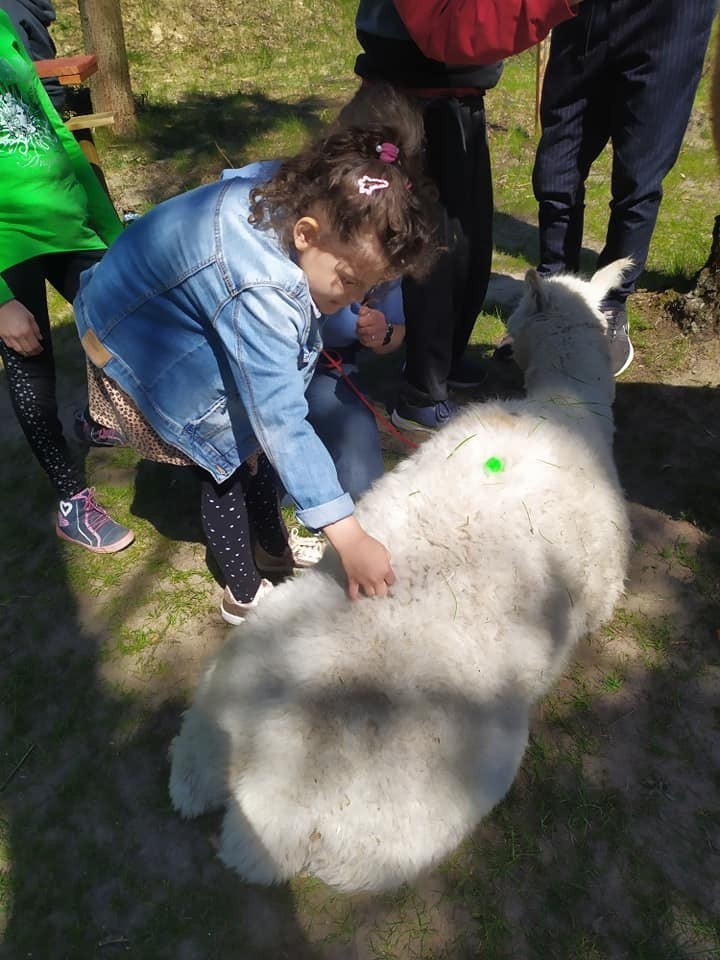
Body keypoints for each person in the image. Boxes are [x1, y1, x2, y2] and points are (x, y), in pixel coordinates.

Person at [72, 94, 440, 622]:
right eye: (348, 284)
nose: (352, 301)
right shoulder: (263, 287)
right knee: (221, 450)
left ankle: (271, 545)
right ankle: (242, 595)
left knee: (253, 444)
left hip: (186, 304)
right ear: (306, 234)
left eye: (369, 288)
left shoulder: (307, 190)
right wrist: (349, 534)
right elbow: (282, 421)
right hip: (136, 330)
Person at [353, 0, 582, 430]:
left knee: (469, 250)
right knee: (433, 254)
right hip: (410, 105)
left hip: (456, 98)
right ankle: (420, 392)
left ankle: (444, 359)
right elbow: (452, 31)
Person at [0, 9, 133, 553]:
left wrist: (111, 229)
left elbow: (51, 127)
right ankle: (71, 501)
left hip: (67, 217)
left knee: (124, 324)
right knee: (32, 365)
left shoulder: (4, 25)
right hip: (8, 239)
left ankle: (99, 416)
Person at [532, 0, 716, 377]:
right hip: (586, 14)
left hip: (671, 22)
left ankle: (611, 305)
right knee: (556, 163)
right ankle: (551, 294)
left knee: (638, 178)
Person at [221, 161, 406, 500]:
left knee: (362, 481)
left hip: (329, 369)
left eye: (369, 286)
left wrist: (384, 331)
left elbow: (397, 333)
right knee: (254, 466)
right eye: (350, 281)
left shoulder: (387, 241)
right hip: (256, 367)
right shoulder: (268, 252)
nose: (356, 295)